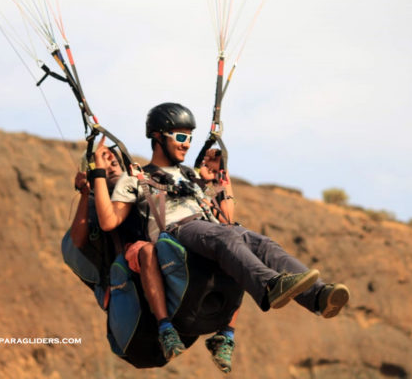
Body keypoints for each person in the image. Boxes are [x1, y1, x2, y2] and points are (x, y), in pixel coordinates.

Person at [93, 102, 350, 371]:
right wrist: (99, 173)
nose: (187, 144)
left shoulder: (190, 176)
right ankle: (270, 286)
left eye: (190, 137)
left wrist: (218, 180)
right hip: (178, 232)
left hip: (209, 228)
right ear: (158, 137)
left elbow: (225, 217)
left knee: (260, 242)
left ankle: (318, 297)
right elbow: (109, 221)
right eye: (181, 137)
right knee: (225, 238)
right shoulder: (136, 178)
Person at [67, 148, 187, 361]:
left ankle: (225, 334)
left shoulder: (138, 193)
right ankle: (165, 327)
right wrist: (86, 194)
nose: (111, 166)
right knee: (146, 250)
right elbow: (78, 240)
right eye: (104, 164)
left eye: (114, 163)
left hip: (161, 276)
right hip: (129, 286)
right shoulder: (94, 205)